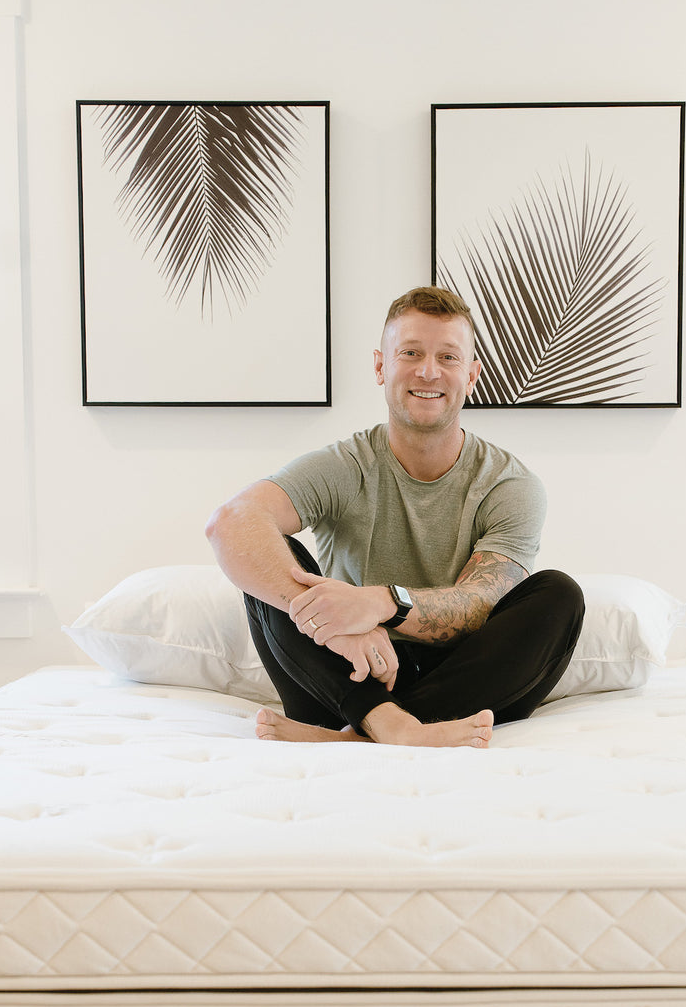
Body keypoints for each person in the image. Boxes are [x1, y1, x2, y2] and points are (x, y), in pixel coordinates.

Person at [205, 286, 584, 749]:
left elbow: (480, 602)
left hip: (462, 687)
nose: (429, 371)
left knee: (559, 594)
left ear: (471, 375)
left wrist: (385, 604)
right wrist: (342, 628)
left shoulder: (510, 483)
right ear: (382, 366)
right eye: (411, 352)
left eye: (448, 357)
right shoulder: (345, 466)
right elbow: (230, 521)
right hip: (346, 678)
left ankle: (357, 737)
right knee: (271, 560)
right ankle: (390, 727)